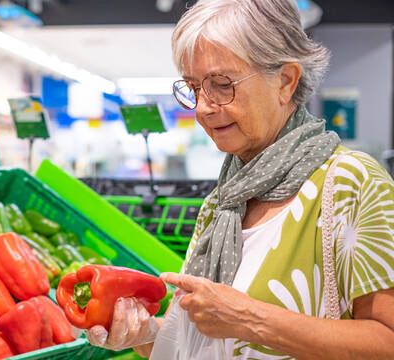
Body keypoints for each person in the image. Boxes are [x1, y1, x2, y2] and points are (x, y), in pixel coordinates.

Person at [87, 0, 394, 358]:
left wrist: (249, 319)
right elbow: (198, 337)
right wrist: (141, 334)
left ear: (285, 80)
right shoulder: (221, 203)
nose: (203, 107)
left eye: (221, 84)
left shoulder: (352, 183)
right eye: (193, 87)